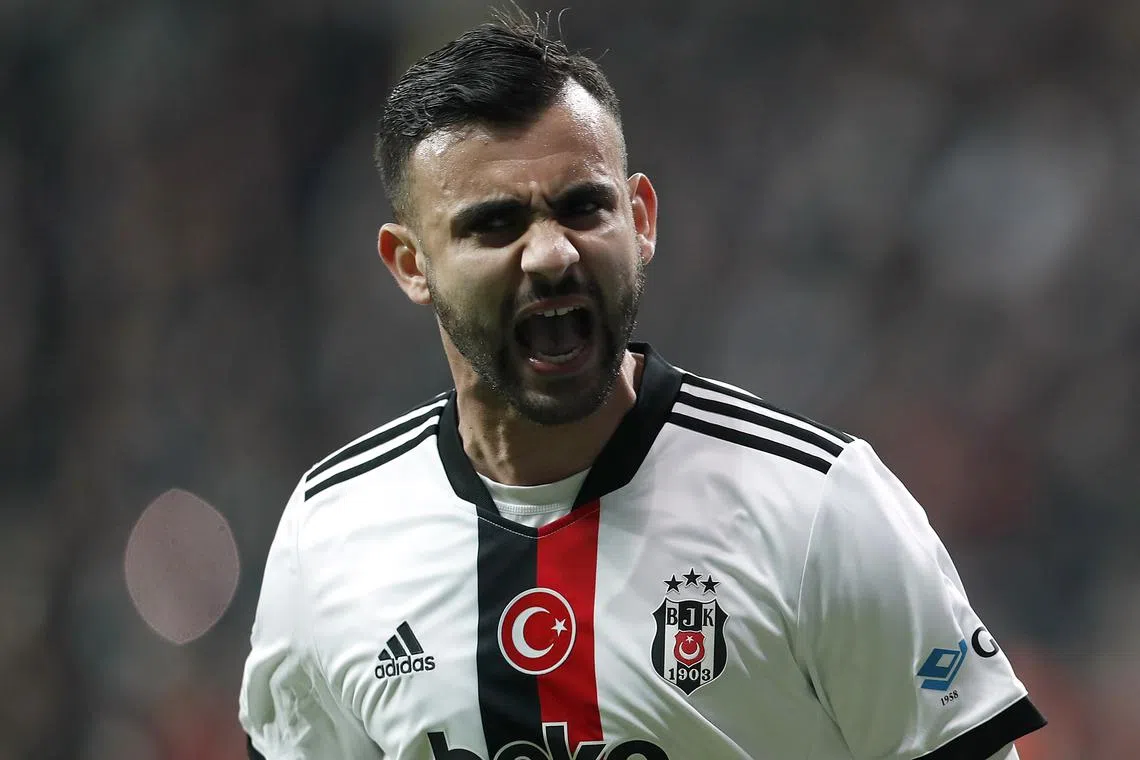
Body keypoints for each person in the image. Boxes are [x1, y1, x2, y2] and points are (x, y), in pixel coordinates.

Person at [239, 11, 1046, 760]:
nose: (552, 253)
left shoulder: (818, 510)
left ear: (642, 218)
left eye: (583, 207)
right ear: (410, 264)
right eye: (495, 224)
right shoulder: (330, 534)